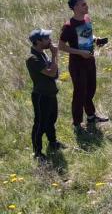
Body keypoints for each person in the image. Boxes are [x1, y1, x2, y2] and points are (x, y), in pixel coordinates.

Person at [58, 0, 109, 132]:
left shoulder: (87, 18)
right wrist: (80, 52)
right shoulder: (68, 26)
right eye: (83, 4)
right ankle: (77, 123)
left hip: (90, 61)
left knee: (91, 89)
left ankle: (91, 116)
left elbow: (87, 34)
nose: (86, 6)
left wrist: (96, 39)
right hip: (77, 64)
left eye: (86, 4)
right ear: (74, 8)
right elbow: (61, 46)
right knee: (80, 92)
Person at [26, 29, 65, 160]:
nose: (50, 40)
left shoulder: (43, 54)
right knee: (40, 124)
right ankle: (37, 152)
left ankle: (53, 143)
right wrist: (54, 55)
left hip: (50, 93)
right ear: (38, 42)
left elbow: (55, 73)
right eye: (46, 38)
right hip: (41, 96)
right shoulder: (33, 58)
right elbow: (52, 73)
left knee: (51, 120)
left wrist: (53, 58)